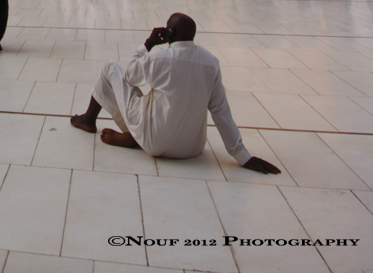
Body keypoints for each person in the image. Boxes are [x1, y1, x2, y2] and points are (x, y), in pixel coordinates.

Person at [70, 12, 281, 174]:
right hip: (191, 148)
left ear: (169, 33)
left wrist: (148, 44)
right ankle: (134, 136)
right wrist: (243, 156)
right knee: (151, 97)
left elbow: (129, 75)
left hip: (155, 141)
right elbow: (221, 111)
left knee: (111, 68)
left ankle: (90, 120)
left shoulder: (160, 57)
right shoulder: (211, 62)